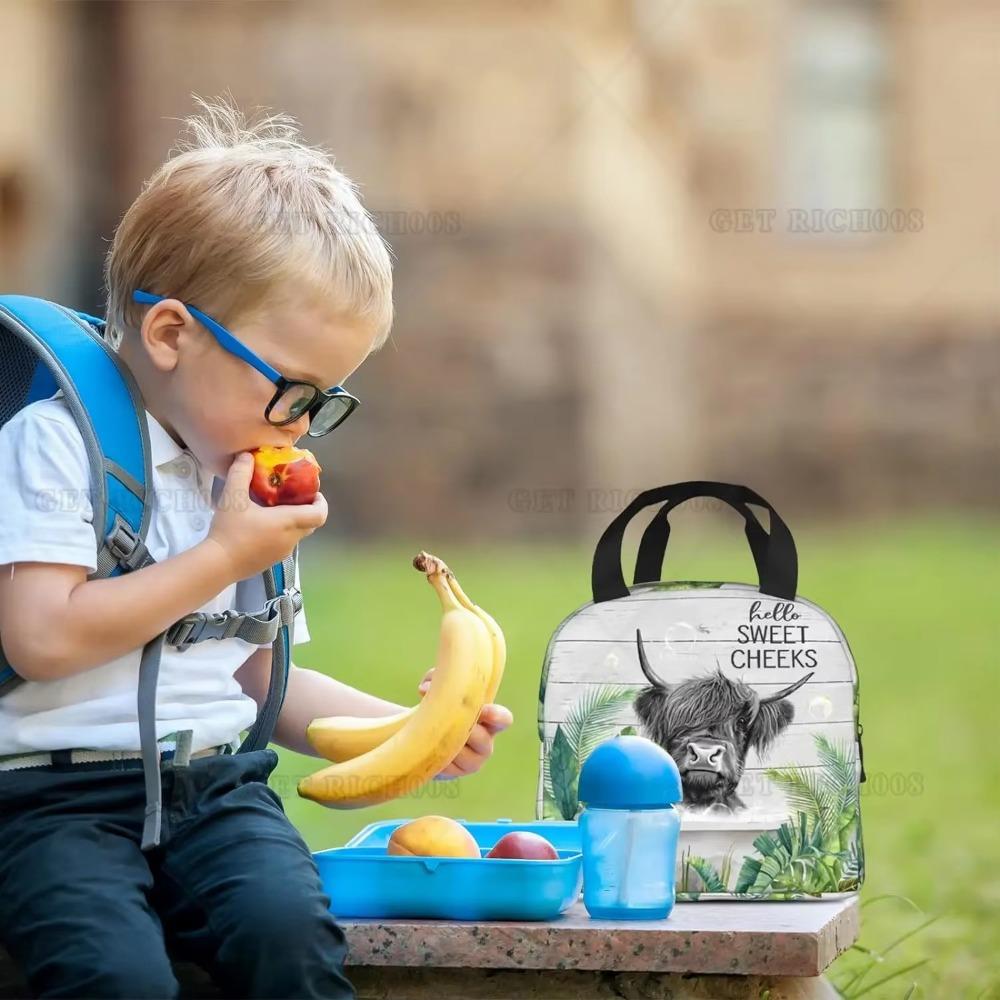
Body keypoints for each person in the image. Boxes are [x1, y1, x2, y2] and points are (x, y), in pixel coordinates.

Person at [0, 97, 513, 999]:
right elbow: (40, 638)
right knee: (114, 978)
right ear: (171, 336)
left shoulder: (243, 476)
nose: (304, 426)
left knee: (292, 940)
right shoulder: (56, 445)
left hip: (217, 793)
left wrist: (413, 730)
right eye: (293, 390)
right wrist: (221, 558)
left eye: (326, 401)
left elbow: (254, 680)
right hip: (52, 804)